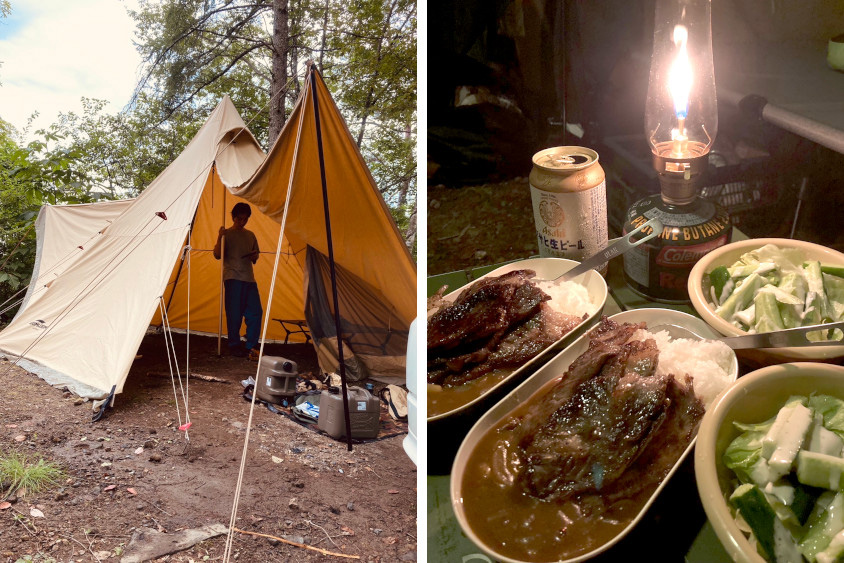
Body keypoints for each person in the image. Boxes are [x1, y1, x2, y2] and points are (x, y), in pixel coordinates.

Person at [213, 202, 262, 360]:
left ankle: (251, 346)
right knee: (234, 314)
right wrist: (220, 236)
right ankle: (234, 345)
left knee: (255, 312)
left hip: (249, 278)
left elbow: (256, 256)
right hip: (232, 277)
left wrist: (254, 256)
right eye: (239, 219)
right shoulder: (227, 234)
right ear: (233, 217)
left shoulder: (251, 235)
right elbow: (217, 255)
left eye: (245, 219)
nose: (242, 222)